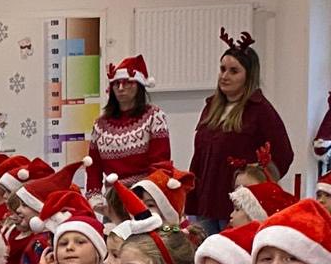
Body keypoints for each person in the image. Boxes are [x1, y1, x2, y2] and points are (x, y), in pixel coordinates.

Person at [189, 30, 293, 234]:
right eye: (222, 69)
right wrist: (191, 199)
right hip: (206, 205)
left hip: (237, 208)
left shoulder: (260, 110)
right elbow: (198, 158)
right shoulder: (211, 107)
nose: (224, 76)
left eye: (233, 71)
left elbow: (283, 155)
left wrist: (259, 184)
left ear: (248, 76)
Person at [85, 56, 170, 191]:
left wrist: (149, 194)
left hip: (144, 192)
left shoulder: (154, 117)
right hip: (113, 195)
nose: (121, 88)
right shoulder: (100, 125)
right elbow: (93, 169)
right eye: (116, 84)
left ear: (139, 85)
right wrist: (94, 197)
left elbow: (160, 164)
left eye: (127, 83)